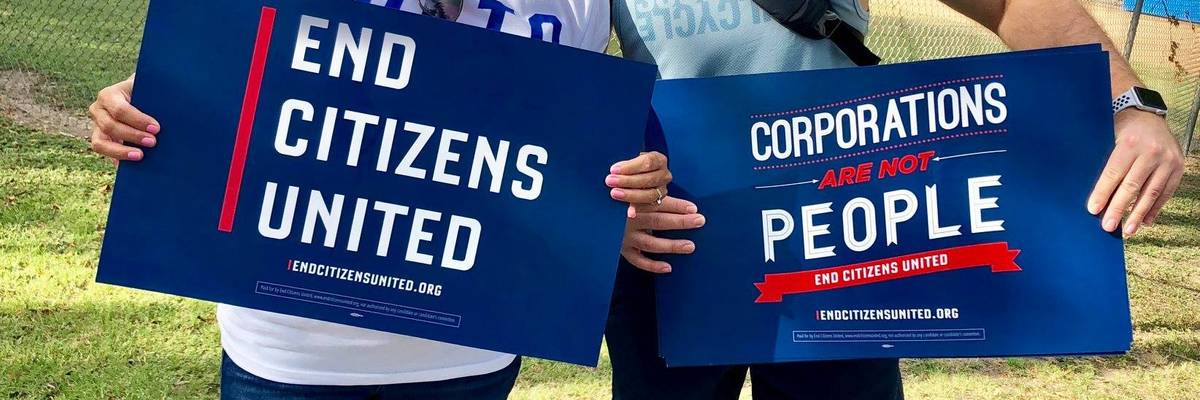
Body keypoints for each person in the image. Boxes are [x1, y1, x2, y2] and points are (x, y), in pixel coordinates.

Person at [87, 0, 681, 398]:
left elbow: (554, 150)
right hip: (290, 349)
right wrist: (140, 108)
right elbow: (224, 78)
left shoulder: (582, 5)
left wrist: (616, 202)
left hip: (471, 352)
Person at [606, 0, 1187, 399]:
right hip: (670, 244)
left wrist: (1130, 103)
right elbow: (564, 81)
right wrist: (603, 205)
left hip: (837, 245)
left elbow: (1009, 5)